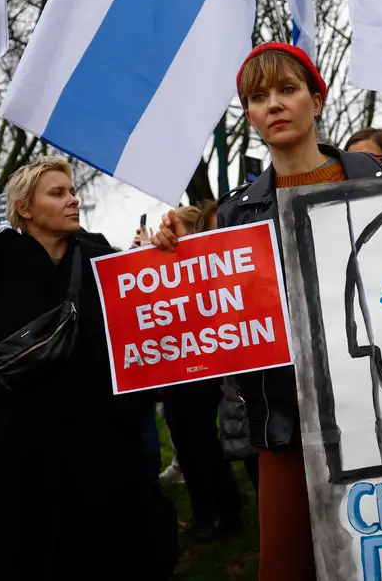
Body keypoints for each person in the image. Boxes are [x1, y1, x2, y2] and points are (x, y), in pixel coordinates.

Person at [152, 42, 382, 581]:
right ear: (249, 115)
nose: (274, 105)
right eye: (258, 97)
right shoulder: (237, 210)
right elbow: (224, 308)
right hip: (285, 419)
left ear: (317, 98)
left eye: (287, 90)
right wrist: (175, 254)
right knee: (287, 565)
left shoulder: (379, 177)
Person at [0, 43, 177, 581]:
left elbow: (151, 301)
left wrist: (170, 248)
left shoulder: (99, 255)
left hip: (99, 445)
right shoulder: (0, 258)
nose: (73, 200)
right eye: (58, 193)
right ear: (25, 209)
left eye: (72, 190)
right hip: (23, 447)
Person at [155, 203, 244, 538]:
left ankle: (225, 511)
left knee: (201, 441)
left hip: (200, 369)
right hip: (174, 370)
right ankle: (206, 512)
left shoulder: (204, 266)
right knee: (185, 441)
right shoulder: (166, 264)